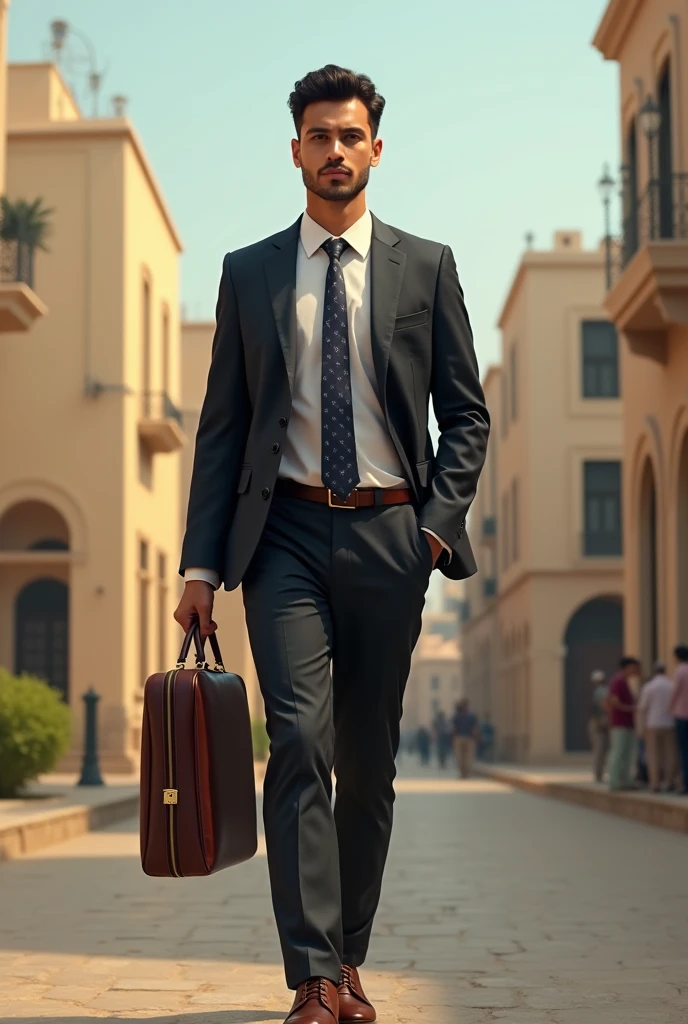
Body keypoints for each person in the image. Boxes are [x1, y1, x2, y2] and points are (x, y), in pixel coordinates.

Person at [174, 65, 489, 1024]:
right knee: (301, 739)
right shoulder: (250, 271)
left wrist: (434, 532)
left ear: (375, 149)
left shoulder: (426, 265)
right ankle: (312, 976)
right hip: (285, 539)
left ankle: (348, 958)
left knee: (370, 757)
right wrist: (199, 565)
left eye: (352, 136)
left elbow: (466, 415)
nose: (337, 151)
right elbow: (222, 428)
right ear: (297, 149)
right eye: (321, 135)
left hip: (394, 533)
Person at [637, 661, 677, 793]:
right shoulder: (671, 685)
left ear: (654, 671)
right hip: (669, 723)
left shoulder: (649, 686)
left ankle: (655, 783)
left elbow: (642, 708)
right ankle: (670, 781)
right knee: (670, 754)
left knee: (653, 755)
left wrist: (641, 728)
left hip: (653, 723)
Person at [606, 656, 641, 792]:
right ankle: (614, 781)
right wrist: (630, 708)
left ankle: (625, 780)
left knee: (627, 753)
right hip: (619, 722)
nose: (636, 670)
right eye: (634, 667)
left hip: (627, 723)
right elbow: (614, 701)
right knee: (618, 752)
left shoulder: (624, 682)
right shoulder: (618, 681)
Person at [670, 644, 688, 795]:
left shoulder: (680, 670)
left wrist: (669, 709)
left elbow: (674, 693)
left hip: (682, 716)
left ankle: (685, 784)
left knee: (684, 751)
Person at [587, 669, 610, 783]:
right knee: (600, 749)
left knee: (600, 750)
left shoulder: (600, 691)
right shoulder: (601, 691)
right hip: (599, 723)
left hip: (600, 723)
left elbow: (602, 706)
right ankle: (598, 774)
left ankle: (599, 774)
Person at [451, 699, 479, 779]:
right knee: (460, 757)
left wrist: (476, 737)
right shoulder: (457, 716)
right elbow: (454, 728)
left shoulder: (472, 716)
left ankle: (466, 773)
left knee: (468, 757)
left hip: (468, 738)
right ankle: (463, 772)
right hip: (459, 738)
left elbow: (475, 728)